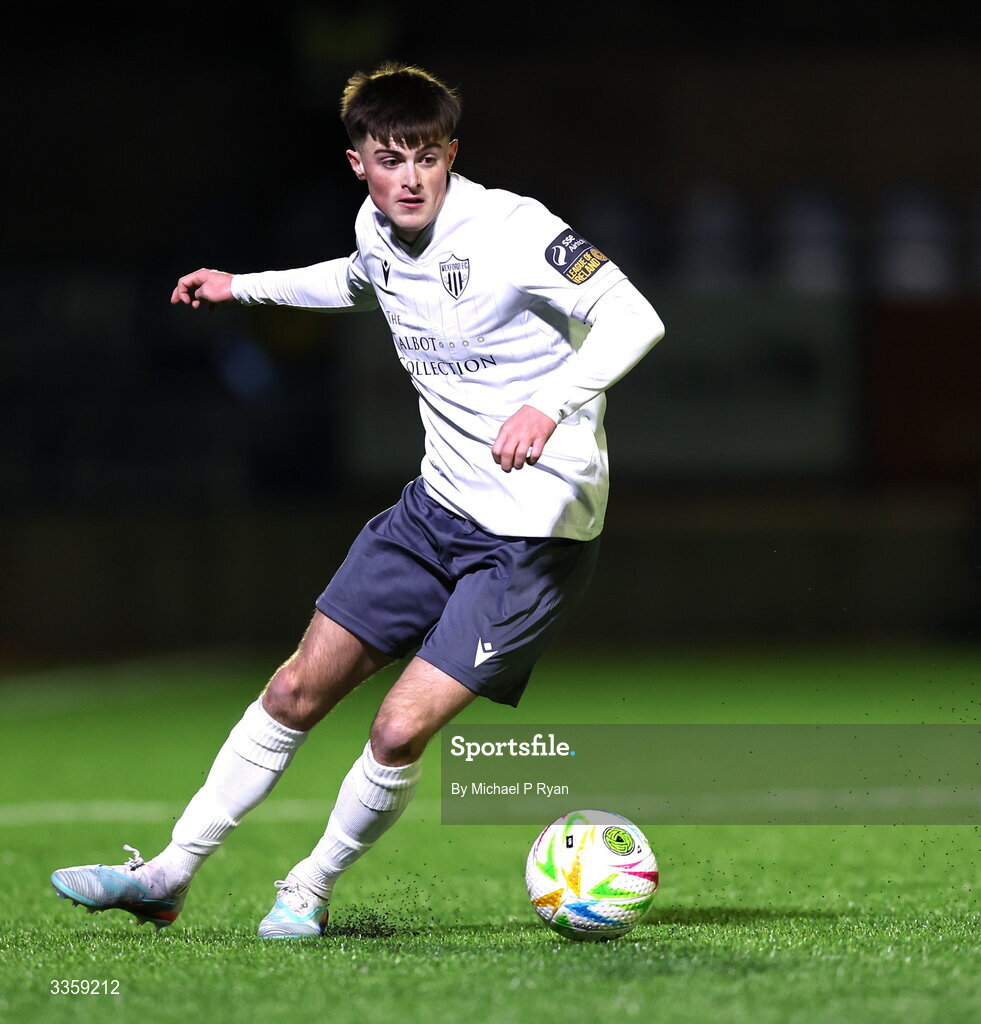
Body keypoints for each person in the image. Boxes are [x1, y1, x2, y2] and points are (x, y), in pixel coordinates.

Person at [50, 62, 664, 938]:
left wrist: (549, 402)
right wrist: (240, 286)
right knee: (296, 689)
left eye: (426, 157)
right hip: (433, 513)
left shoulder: (512, 229)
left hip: (531, 536)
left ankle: (308, 883)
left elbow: (636, 316)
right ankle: (168, 871)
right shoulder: (375, 228)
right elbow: (353, 278)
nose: (409, 178)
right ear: (358, 163)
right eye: (390, 158)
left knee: (397, 730)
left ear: (451, 155)